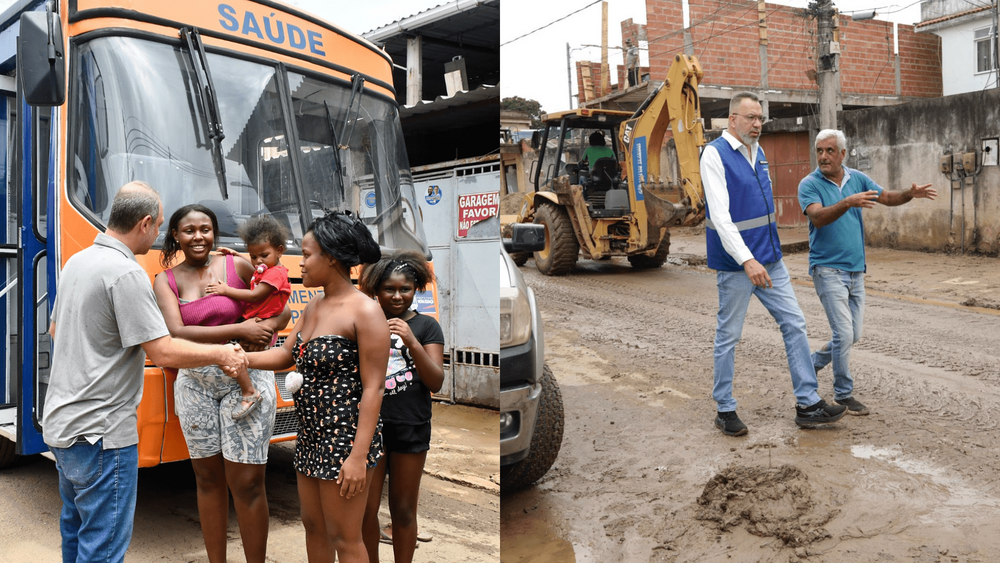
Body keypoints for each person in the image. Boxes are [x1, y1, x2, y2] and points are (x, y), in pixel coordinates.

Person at [42, 182, 248, 563]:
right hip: (101, 434)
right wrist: (222, 353)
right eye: (159, 228)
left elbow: (56, 331)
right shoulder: (126, 273)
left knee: (75, 533)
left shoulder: (78, 262)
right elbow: (163, 350)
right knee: (102, 548)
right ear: (146, 223)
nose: (157, 236)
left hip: (63, 425)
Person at [247, 210, 389, 563]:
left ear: (331, 256)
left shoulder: (366, 312)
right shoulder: (313, 306)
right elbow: (284, 355)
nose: (301, 264)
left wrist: (358, 457)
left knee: (345, 537)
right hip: (310, 434)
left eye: (307, 255)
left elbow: (374, 389)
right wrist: (237, 357)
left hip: (346, 439)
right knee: (314, 527)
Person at [701, 92, 847, 436]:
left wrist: (764, 256)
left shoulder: (759, 152)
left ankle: (808, 403)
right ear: (732, 119)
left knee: (794, 324)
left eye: (760, 118)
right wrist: (747, 260)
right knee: (729, 336)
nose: (757, 124)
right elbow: (721, 217)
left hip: (770, 260)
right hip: (738, 265)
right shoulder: (714, 155)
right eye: (751, 118)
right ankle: (725, 409)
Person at [153, 204, 290, 563]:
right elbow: (177, 331)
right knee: (207, 480)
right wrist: (240, 329)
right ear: (175, 237)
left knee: (246, 484)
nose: (198, 236)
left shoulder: (238, 266)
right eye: (189, 230)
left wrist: (270, 328)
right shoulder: (164, 280)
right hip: (195, 385)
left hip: (244, 384)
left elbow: (281, 304)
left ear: (214, 233)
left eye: (205, 229)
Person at [798, 129, 936, 416]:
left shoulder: (857, 178)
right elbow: (818, 218)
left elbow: (887, 197)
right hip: (827, 269)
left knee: (853, 334)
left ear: (843, 154)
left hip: (855, 271)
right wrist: (848, 202)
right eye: (820, 151)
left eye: (830, 151)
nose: (823, 156)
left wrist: (909, 194)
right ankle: (843, 393)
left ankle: (809, 364)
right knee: (844, 332)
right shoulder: (809, 184)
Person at [359, 251, 445, 563]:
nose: (397, 296)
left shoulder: (426, 327)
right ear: (376, 291)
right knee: (366, 512)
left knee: (404, 510)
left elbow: (436, 381)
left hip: (411, 427)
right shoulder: (365, 322)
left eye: (404, 289)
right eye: (389, 289)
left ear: (416, 289)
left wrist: (411, 341)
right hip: (371, 427)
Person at [206, 214, 292, 419]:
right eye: (253, 256)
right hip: (256, 321)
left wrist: (225, 290)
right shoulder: (269, 268)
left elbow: (256, 294)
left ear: (279, 250)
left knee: (233, 356)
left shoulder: (276, 274)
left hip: (260, 324)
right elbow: (258, 271)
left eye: (263, 255)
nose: (257, 261)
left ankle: (250, 392)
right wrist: (238, 255)